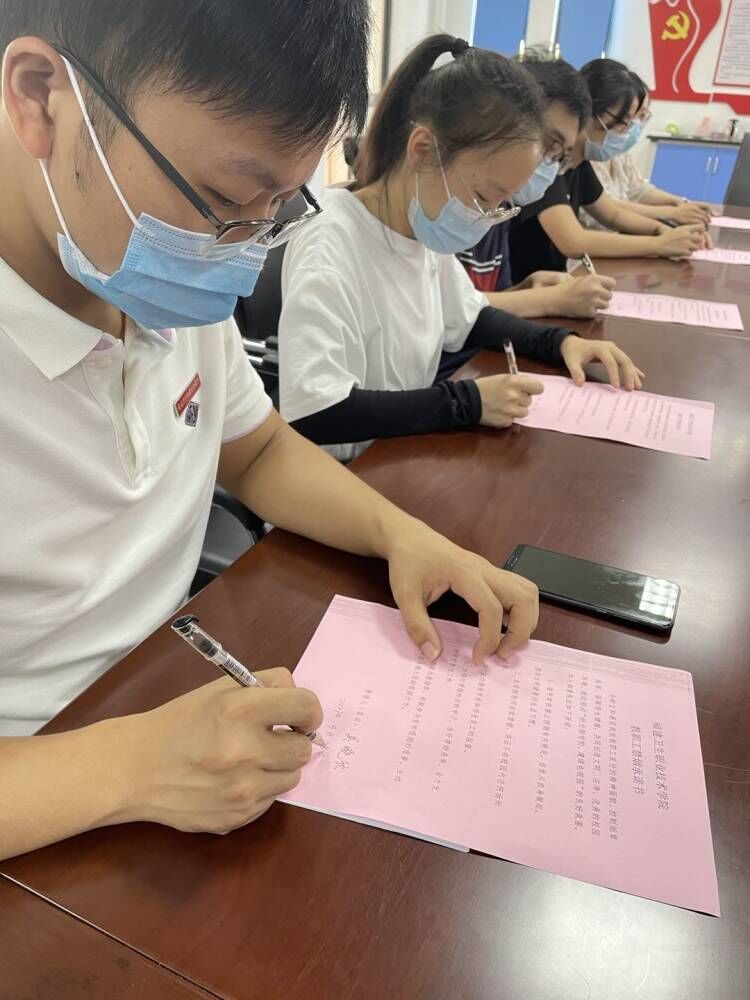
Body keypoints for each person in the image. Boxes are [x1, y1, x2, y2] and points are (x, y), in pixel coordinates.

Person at [0, 5, 542, 861]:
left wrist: (400, 535)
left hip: (171, 699)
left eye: (276, 209)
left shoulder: (149, 269)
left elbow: (254, 448)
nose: (242, 255)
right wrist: (132, 766)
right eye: (224, 201)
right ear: (39, 96)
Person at [278, 36, 643, 464]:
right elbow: (316, 412)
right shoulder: (332, 241)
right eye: (484, 197)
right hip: (346, 471)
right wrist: (467, 402)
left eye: (501, 203)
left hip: (399, 453)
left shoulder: (418, 226)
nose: (486, 217)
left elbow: (471, 318)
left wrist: (561, 343)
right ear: (422, 150)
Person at [508, 58, 711, 284]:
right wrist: (659, 244)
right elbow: (573, 241)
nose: (626, 132)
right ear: (589, 112)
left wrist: (662, 230)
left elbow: (613, 214)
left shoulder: (578, 164)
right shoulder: (547, 167)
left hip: (554, 282)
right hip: (526, 285)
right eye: (623, 122)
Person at [461, 54, 616, 321]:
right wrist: (549, 301)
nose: (548, 162)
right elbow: (446, 309)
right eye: (549, 142)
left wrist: (526, 288)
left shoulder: (502, 207)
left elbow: (483, 301)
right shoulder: (448, 206)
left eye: (559, 154)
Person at [582, 70, 713, 231]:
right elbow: (607, 209)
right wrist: (670, 215)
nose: (633, 125)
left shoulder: (615, 151)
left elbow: (637, 191)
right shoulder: (588, 154)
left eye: (643, 115)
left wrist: (680, 203)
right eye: (629, 118)